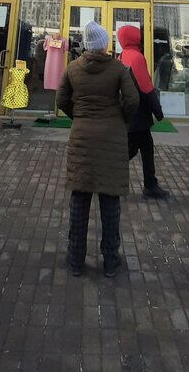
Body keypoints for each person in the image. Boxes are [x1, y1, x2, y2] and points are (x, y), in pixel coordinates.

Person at [56, 20, 139, 277]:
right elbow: (132, 100)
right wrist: (120, 119)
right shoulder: (118, 68)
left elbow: (61, 99)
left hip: (81, 138)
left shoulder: (72, 68)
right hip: (111, 140)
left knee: (79, 199)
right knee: (110, 201)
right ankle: (111, 261)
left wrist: (78, 116)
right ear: (103, 44)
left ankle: (75, 260)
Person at [117, 24, 170, 200]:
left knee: (143, 147)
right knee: (134, 149)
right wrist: (158, 112)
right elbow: (146, 87)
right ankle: (149, 185)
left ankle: (150, 184)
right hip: (138, 114)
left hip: (128, 111)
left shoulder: (121, 56)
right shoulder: (137, 57)